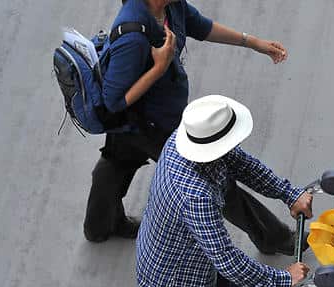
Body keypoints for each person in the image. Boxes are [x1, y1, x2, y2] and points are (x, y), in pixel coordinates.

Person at [74, 95, 313, 287]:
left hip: (194, 252)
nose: (234, 147)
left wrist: (289, 194)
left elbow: (243, 165)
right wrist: (283, 278)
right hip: (177, 275)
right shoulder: (195, 194)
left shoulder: (185, 139)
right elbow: (227, 260)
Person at [84, 0, 298, 255]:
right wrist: (160, 67)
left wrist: (253, 43)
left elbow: (202, 27)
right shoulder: (131, 34)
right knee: (214, 179)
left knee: (116, 164)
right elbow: (114, 101)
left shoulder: (171, 7)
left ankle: (100, 225)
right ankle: (274, 237)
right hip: (152, 125)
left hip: (153, 117)